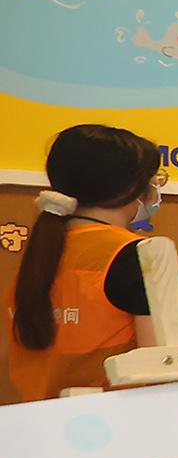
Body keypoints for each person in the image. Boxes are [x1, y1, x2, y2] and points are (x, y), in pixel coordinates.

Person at [5, 124, 162, 403]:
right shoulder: (136, 254)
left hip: (33, 417)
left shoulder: (38, 258)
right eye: (154, 180)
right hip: (110, 420)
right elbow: (161, 361)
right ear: (129, 188)